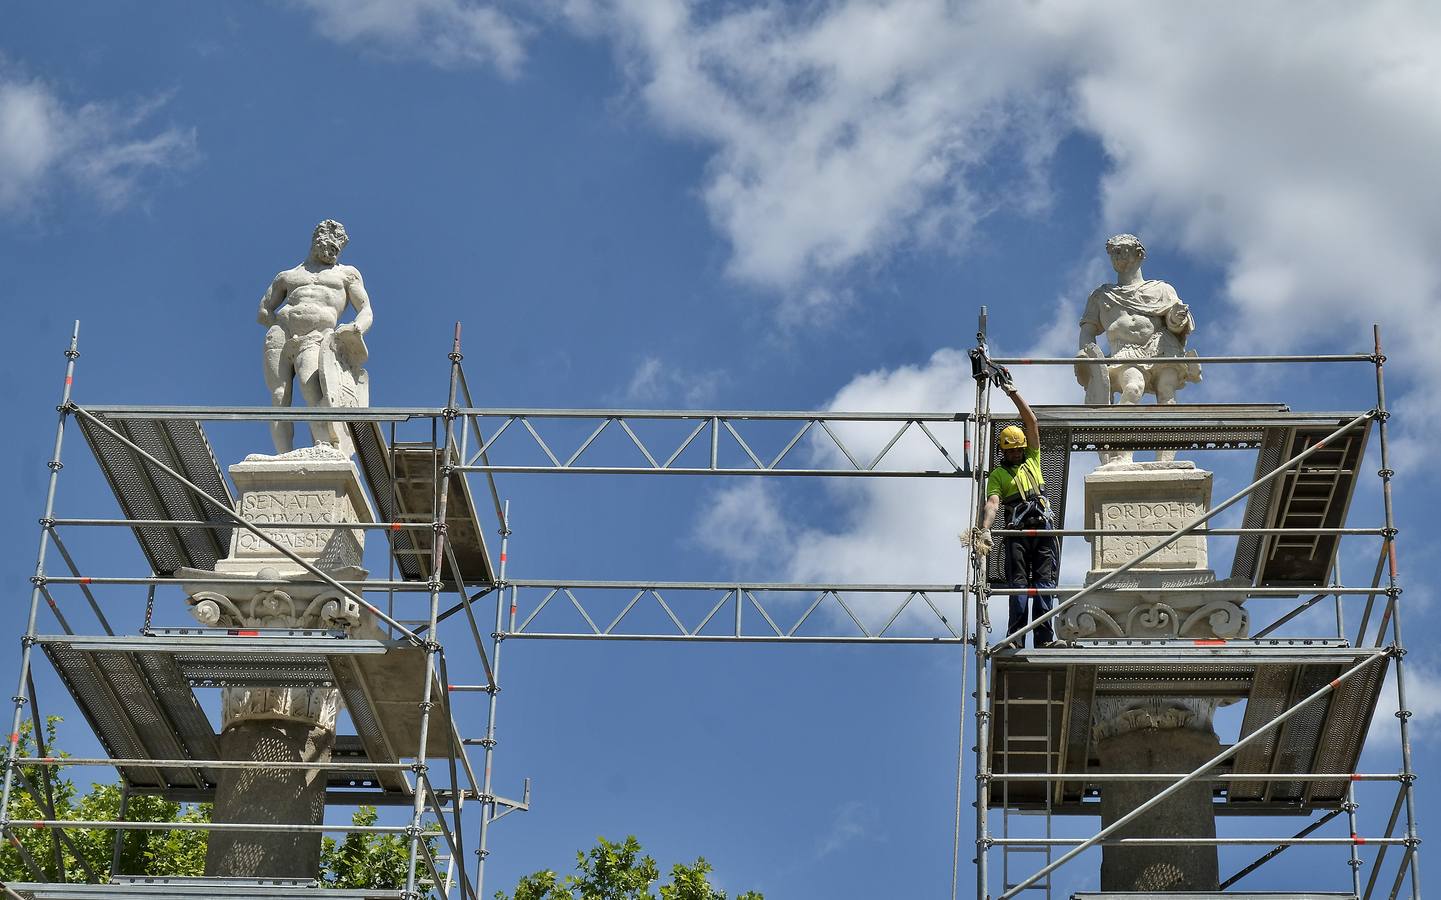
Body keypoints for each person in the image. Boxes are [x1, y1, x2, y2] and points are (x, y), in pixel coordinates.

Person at [257, 219, 373, 453]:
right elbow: (264, 310)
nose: (334, 253)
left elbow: (366, 309)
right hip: (281, 333)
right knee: (279, 396)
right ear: (316, 241)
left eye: (337, 249)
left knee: (314, 391)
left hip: (317, 335)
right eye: (330, 247)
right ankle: (283, 456)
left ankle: (324, 446)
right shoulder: (287, 276)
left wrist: (356, 328)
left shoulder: (346, 274)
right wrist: (282, 325)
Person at [972, 378, 1059, 648]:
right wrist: (986, 529)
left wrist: (1013, 393)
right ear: (1003, 452)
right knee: (1019, 586)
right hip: (1017, 533)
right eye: (1010, 452)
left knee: (1044, 583)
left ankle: (1044, 638)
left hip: (1041, 528)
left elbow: (1031, 422)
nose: (1015, 455)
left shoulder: (1033, 458)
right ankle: (1016, 639)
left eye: (1018, 450)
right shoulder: (998, 475)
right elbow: (993, 503)